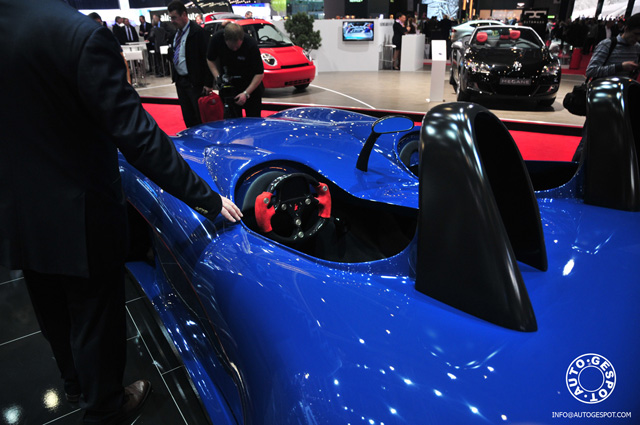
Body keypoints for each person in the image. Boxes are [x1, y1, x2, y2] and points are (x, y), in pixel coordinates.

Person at [0, 2, 242, 425]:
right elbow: (138, 135)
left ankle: (73, 383)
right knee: (95, 317)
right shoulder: (79, 35)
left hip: (18, 209)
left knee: (49, 305)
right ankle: (105, 408)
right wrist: (204, 198)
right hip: (79, 214)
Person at [572, 13, 640, 161]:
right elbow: (591, 71)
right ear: (626, 28)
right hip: (601, 99)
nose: (637, 38)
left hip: (622, 101)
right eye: (636, 34)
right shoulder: (608, 44)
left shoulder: (637, 48)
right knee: (589, 140)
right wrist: (620, 66)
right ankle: (575, 169)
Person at [167, 0, 213, 127]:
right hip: (180, 81)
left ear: (184, 14)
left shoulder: (198, 33)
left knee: (199, 117)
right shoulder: (174, 35)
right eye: (171, 18)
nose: (172, 21)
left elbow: (208, 59)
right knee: (187, 116)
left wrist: (208, 83)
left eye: (174, 17)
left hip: (195, 82)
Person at [207, 22, 264, 118]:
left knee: (253, 121)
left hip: (250, 87)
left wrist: (246, 94)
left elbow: (259, 73)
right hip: (229, 87)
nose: (234, 49)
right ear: (225, 39)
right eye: (231, 47)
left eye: (237, 47)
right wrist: (218, 77)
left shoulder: (250, 44)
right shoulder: (216, 39)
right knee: (231, 121)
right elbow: (210, 59)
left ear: (242, 39)